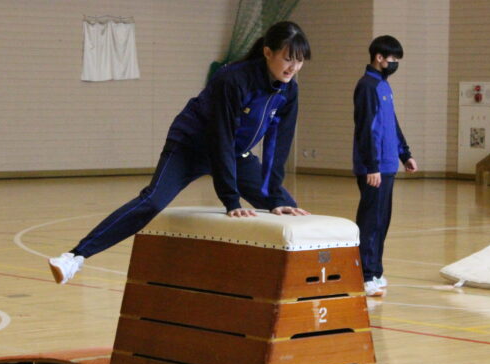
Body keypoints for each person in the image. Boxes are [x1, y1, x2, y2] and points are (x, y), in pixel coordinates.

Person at [48, 21, 312, 284]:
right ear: (268, 53)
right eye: (288, 59)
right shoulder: (233, 79)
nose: (293, 68)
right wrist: (231, 200)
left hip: (235, 154)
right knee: (152, 201)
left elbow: (279, 145)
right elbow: (221, 137)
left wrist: (275, 195)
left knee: (287, 209)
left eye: (299, 62)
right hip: (190, 147)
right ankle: (75, 257)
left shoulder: (289, 91)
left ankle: (266, 286)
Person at [353, 35, 418, 297]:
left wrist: (405, 154)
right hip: (374, 167)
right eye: (392, 60)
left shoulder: (383, 86)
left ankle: (376, 270)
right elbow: (366, 129)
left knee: (383, 220)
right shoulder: (366, 86)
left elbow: (391, 124)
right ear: (379, 58)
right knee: (370, 220)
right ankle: (364, 274)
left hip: (388, 163)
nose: (394, 64)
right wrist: (371, 166)